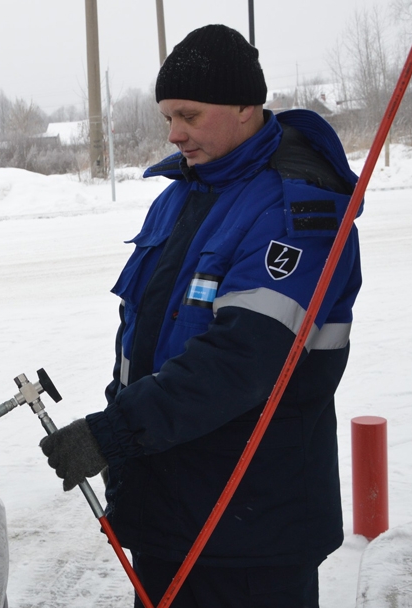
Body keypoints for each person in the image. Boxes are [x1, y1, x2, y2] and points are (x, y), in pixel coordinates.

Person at [40, 24, 362, 607]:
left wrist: (118, 431)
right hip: (170, 510)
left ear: (245, 105)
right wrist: (124, 444)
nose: (174, 133)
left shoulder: (298, 208)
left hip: (249, 523)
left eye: (188, 115)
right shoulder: (180, 197)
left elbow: (244, 359)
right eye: (167, 117)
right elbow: (141, 340)